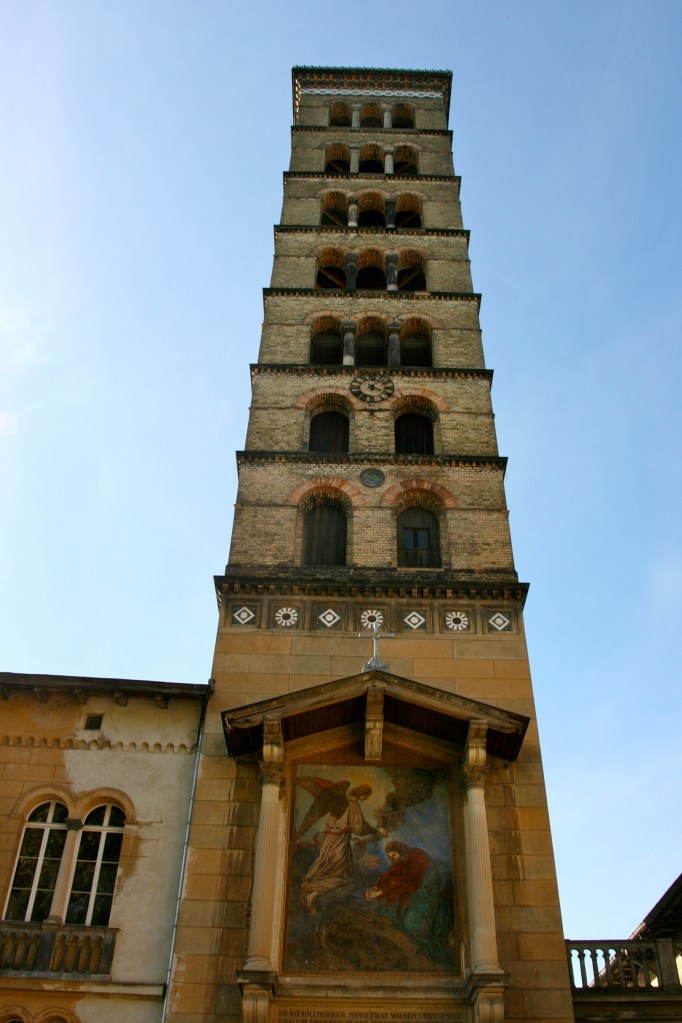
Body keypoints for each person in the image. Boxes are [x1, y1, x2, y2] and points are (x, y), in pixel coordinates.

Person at [298, 782, 385, 912]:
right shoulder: (352, 806)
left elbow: (333, 822)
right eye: (366, 796)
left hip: (329, 839)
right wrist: (375, 831)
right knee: (342, 875)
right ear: (362, 795)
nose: (365, 799)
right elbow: (359, 828)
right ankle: (312, 890)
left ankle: (309, 885)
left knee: (324, 863)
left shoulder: (339, 803)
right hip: (339, 842)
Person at [365, 840, 452, 962]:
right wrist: (376, 887)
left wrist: (380, 892)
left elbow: (403, 880)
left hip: (426, 890)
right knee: (392, 913)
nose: (395, 858)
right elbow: (391, 876)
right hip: (413, 891)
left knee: (411, 923)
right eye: (392, 857)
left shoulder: (416, 855)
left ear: (400, 850)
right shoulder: (402, 862)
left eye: (395, 854)